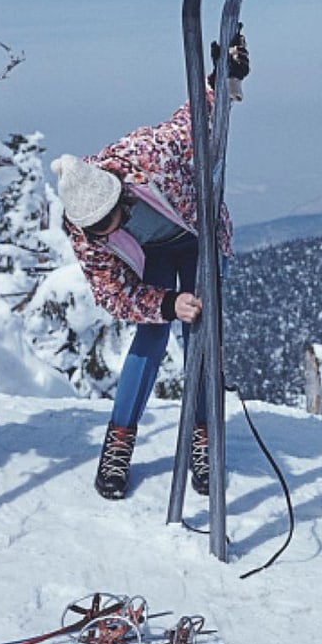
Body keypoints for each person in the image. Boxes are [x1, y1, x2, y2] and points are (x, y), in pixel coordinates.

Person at [51, 31, 250, 501]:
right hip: (155, 258)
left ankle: (203, 434)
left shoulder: (146, 157)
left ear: (119, 193)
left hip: (196, 236)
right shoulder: (86, 231)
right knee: (152, 336)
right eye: (96, 229)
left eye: (110, 221)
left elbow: (191, 124)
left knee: (200, 334)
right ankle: (119, 440)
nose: (106, 232)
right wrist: (163, 303)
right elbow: (112, 294)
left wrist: (222, 80)